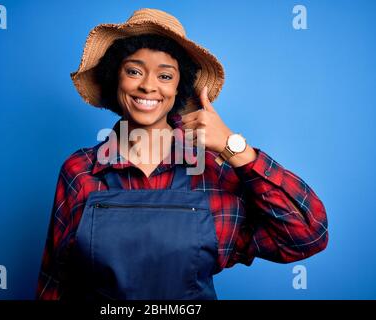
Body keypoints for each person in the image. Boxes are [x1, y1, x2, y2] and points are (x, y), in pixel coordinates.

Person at [36, 8, 328, 300]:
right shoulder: (81, 170)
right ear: (116, 78)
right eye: (134, 71)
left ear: (180, 87)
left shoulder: (215, 169)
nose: (148, 85)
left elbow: (307, 235)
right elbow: (55, 281)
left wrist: (235, 149)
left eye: (165, 75)